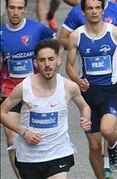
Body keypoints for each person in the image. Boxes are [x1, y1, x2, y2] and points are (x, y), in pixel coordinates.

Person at [0, 38, 92, 179]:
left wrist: (86, 118)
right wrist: (23, 132)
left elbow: (84, 106)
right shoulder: (24, 87)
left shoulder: (69, 87)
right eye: (42, 60)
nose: (47, 64)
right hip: (29, 158)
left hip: (58, 154)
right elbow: (2, 112)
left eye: (51, 59)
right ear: (36, 63)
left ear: (58, 60)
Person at [65, 0, 117, 178]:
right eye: (90, 8)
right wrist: (78, 81)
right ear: (84, 12)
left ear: (103, 10)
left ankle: (112, 146)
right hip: (87, 94)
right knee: (94, 146)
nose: (94, 11)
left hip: (109, 91)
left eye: (97, 8)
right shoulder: (76, 36)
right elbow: (69, 66)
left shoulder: (115, 32)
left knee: (107, 130)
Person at [0, 0, 56, 176]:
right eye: (11, 8)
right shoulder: (1, 33)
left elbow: (56, 45)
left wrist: (52, 70)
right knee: (12, 139)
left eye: (19, 8)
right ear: (6, 8)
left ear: (25, 10)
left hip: (35, 89)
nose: (15, 12)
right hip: (9, 90)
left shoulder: (37, 29)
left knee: (37, 138)